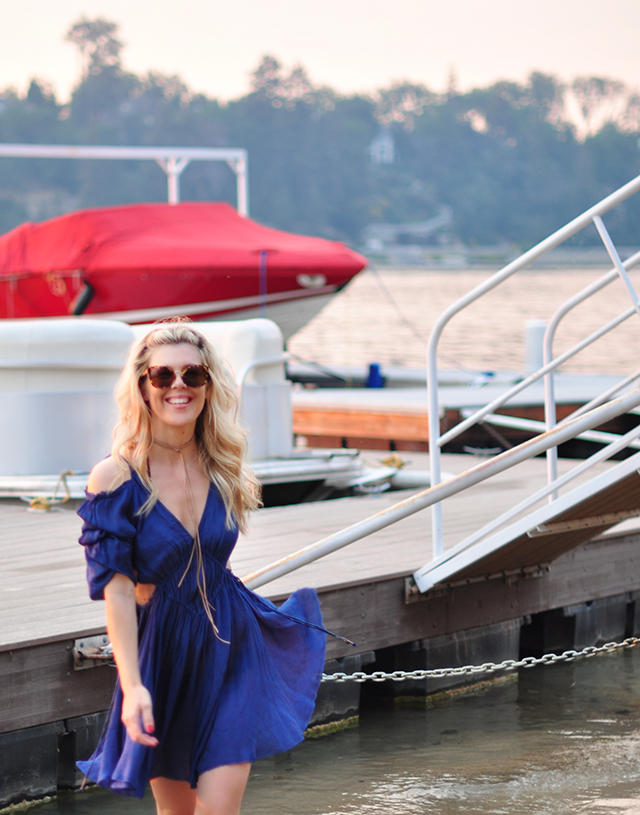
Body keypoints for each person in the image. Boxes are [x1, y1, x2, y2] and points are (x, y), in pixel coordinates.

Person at [77, 321, 347, 814]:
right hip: (164, 653)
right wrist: (134, 684)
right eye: (163, 376)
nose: (178, 386)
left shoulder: (223, 464)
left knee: (219, 809)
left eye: (193, 375)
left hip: (233, 642)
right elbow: (117, 593)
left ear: (209, 384)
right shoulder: (116, 477)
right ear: (142, 386)